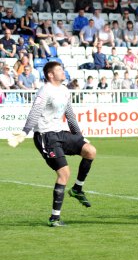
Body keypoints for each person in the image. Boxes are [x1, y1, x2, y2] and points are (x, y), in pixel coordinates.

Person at [8, 61, 97, 227]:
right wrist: (25, 132)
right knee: (64, 173)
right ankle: (54, 218)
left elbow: (70, 116)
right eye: (59, 70)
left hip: (60, 133)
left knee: (90, 151)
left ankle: (77, 189)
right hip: (45, 136)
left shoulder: (64, 90)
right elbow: (35, 112)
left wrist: (79, 137)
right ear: (50, 74)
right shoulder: (45, 90)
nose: (63, 72)